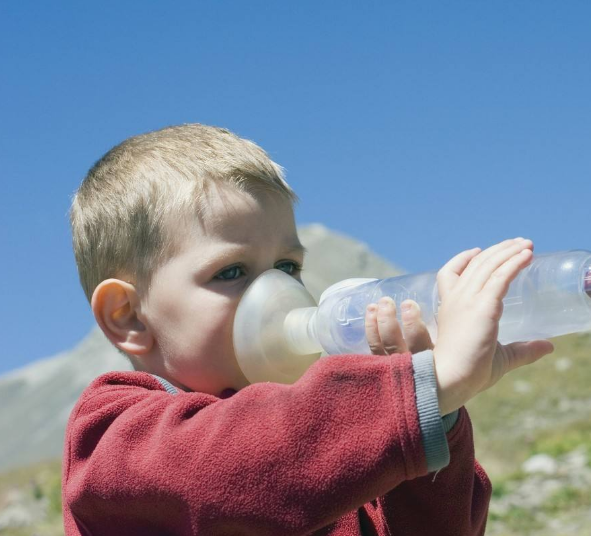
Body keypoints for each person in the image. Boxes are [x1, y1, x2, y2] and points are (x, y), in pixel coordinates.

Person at [62, 124, 555, 535]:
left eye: (287, 268)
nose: (276, 294)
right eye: (231, 272)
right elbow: (233, 467)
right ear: (128, 316)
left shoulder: (337, 450)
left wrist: (436, 419)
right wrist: (418, 389)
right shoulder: (113, 436)